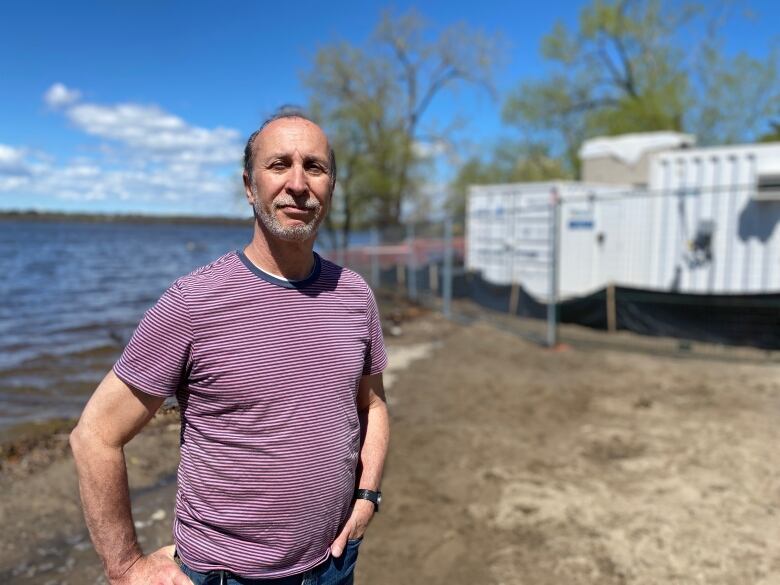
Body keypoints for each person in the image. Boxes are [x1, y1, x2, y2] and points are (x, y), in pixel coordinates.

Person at [70, 111, 389, 585]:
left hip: (335, 564)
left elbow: (373, 404)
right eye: (279, 164)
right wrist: (125, 567)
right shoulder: (194, 301)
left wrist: (367, 496)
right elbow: (95, 436)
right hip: (229, 575)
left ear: (331, 189)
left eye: (315, 167)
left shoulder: (355, 294)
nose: (298, 183)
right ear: (249, 186)